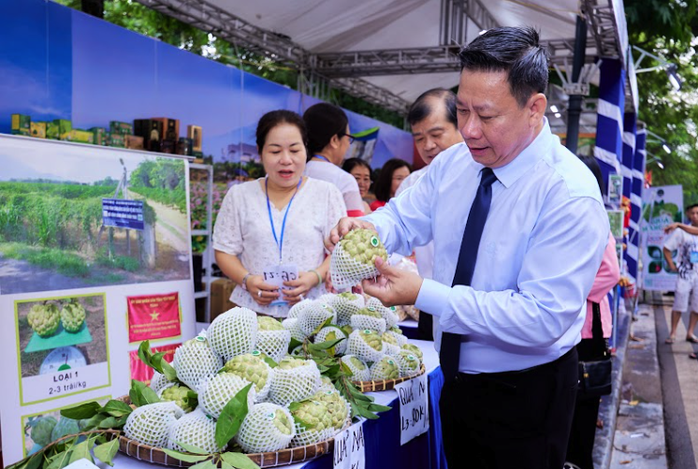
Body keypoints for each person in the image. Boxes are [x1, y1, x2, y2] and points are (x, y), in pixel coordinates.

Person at [326, 27, 609, 469]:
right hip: (454, 376)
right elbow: (402, 217)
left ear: (535, 108)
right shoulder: (457, 164)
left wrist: (422, 293)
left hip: (527, 393)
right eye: (461, 111)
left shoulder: (568, 193)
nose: (470, 130)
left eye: (487, 115)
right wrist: (363, 231)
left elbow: (541, 317)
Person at [213, 110, 346, 318]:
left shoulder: (327, 194)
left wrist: (314, 277)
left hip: (311, 314)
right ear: (260, 152)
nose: (286, 160)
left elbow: (341, 250)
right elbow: (224, 250)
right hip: (252, 313)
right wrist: (247, 280)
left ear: (305, 149)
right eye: (275, 151)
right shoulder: (239, 195)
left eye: (294, 150)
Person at [565, 155, 621, 469]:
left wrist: (563, 292)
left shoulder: (594, 217)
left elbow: (610, 272)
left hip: (589, 327)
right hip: (567, 325)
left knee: (583, 405)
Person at [395, 88, 464, 340]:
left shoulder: (483, 178)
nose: (428, 146)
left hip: (474, 306)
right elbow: (397, 230)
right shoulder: (413, 183)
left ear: (462, 125)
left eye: (436, 134)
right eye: (419, 138)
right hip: (427, 301)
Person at [303, 103, 365, 217]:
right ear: (335, 140)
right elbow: (358, 229)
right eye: (348, 139)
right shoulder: (344, 180)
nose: (348, 145)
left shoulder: (292, 173)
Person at [662, 204, 698, 347]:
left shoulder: (684, 229)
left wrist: (678, 224)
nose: (695, 216)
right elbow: (667, 248)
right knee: (679, 302)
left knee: (697, 306)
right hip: (685, 273)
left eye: (697, 213)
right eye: (693, 213)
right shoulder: (682, 233)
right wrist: (671, 265)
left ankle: (690, 332)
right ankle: (673, 332)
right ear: (689, 215)